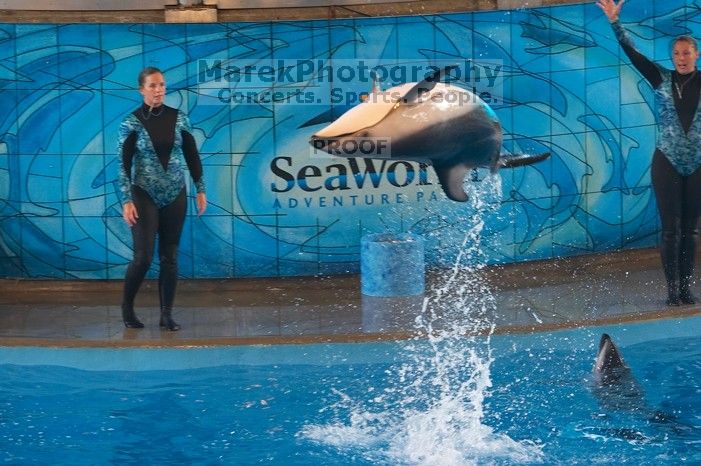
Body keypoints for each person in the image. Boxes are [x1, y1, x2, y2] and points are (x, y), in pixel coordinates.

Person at [598, 0, 701, 306]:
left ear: (696, 54)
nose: (681, 58)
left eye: (687, 52)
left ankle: (687, 288)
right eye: (677, 54)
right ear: (672, 58)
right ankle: (673, 290)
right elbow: (633, 54)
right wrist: (615, 23)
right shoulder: (660, 77)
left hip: (698, 163)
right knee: (671, 230)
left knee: (691, 231)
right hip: (667, 161)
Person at [117, 67, 207, 330]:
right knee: (143, 258)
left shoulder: (179, 118)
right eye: (153, 86)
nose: (158, 90)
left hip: (175, 193)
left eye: (162, 85)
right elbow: (122, 164)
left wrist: (200, 189)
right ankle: (127, 307)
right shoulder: (130, 123)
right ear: (142, 89)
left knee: (169, 257)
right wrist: (126, 199)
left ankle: (166, 314)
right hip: (143, 193)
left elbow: (192, 154)